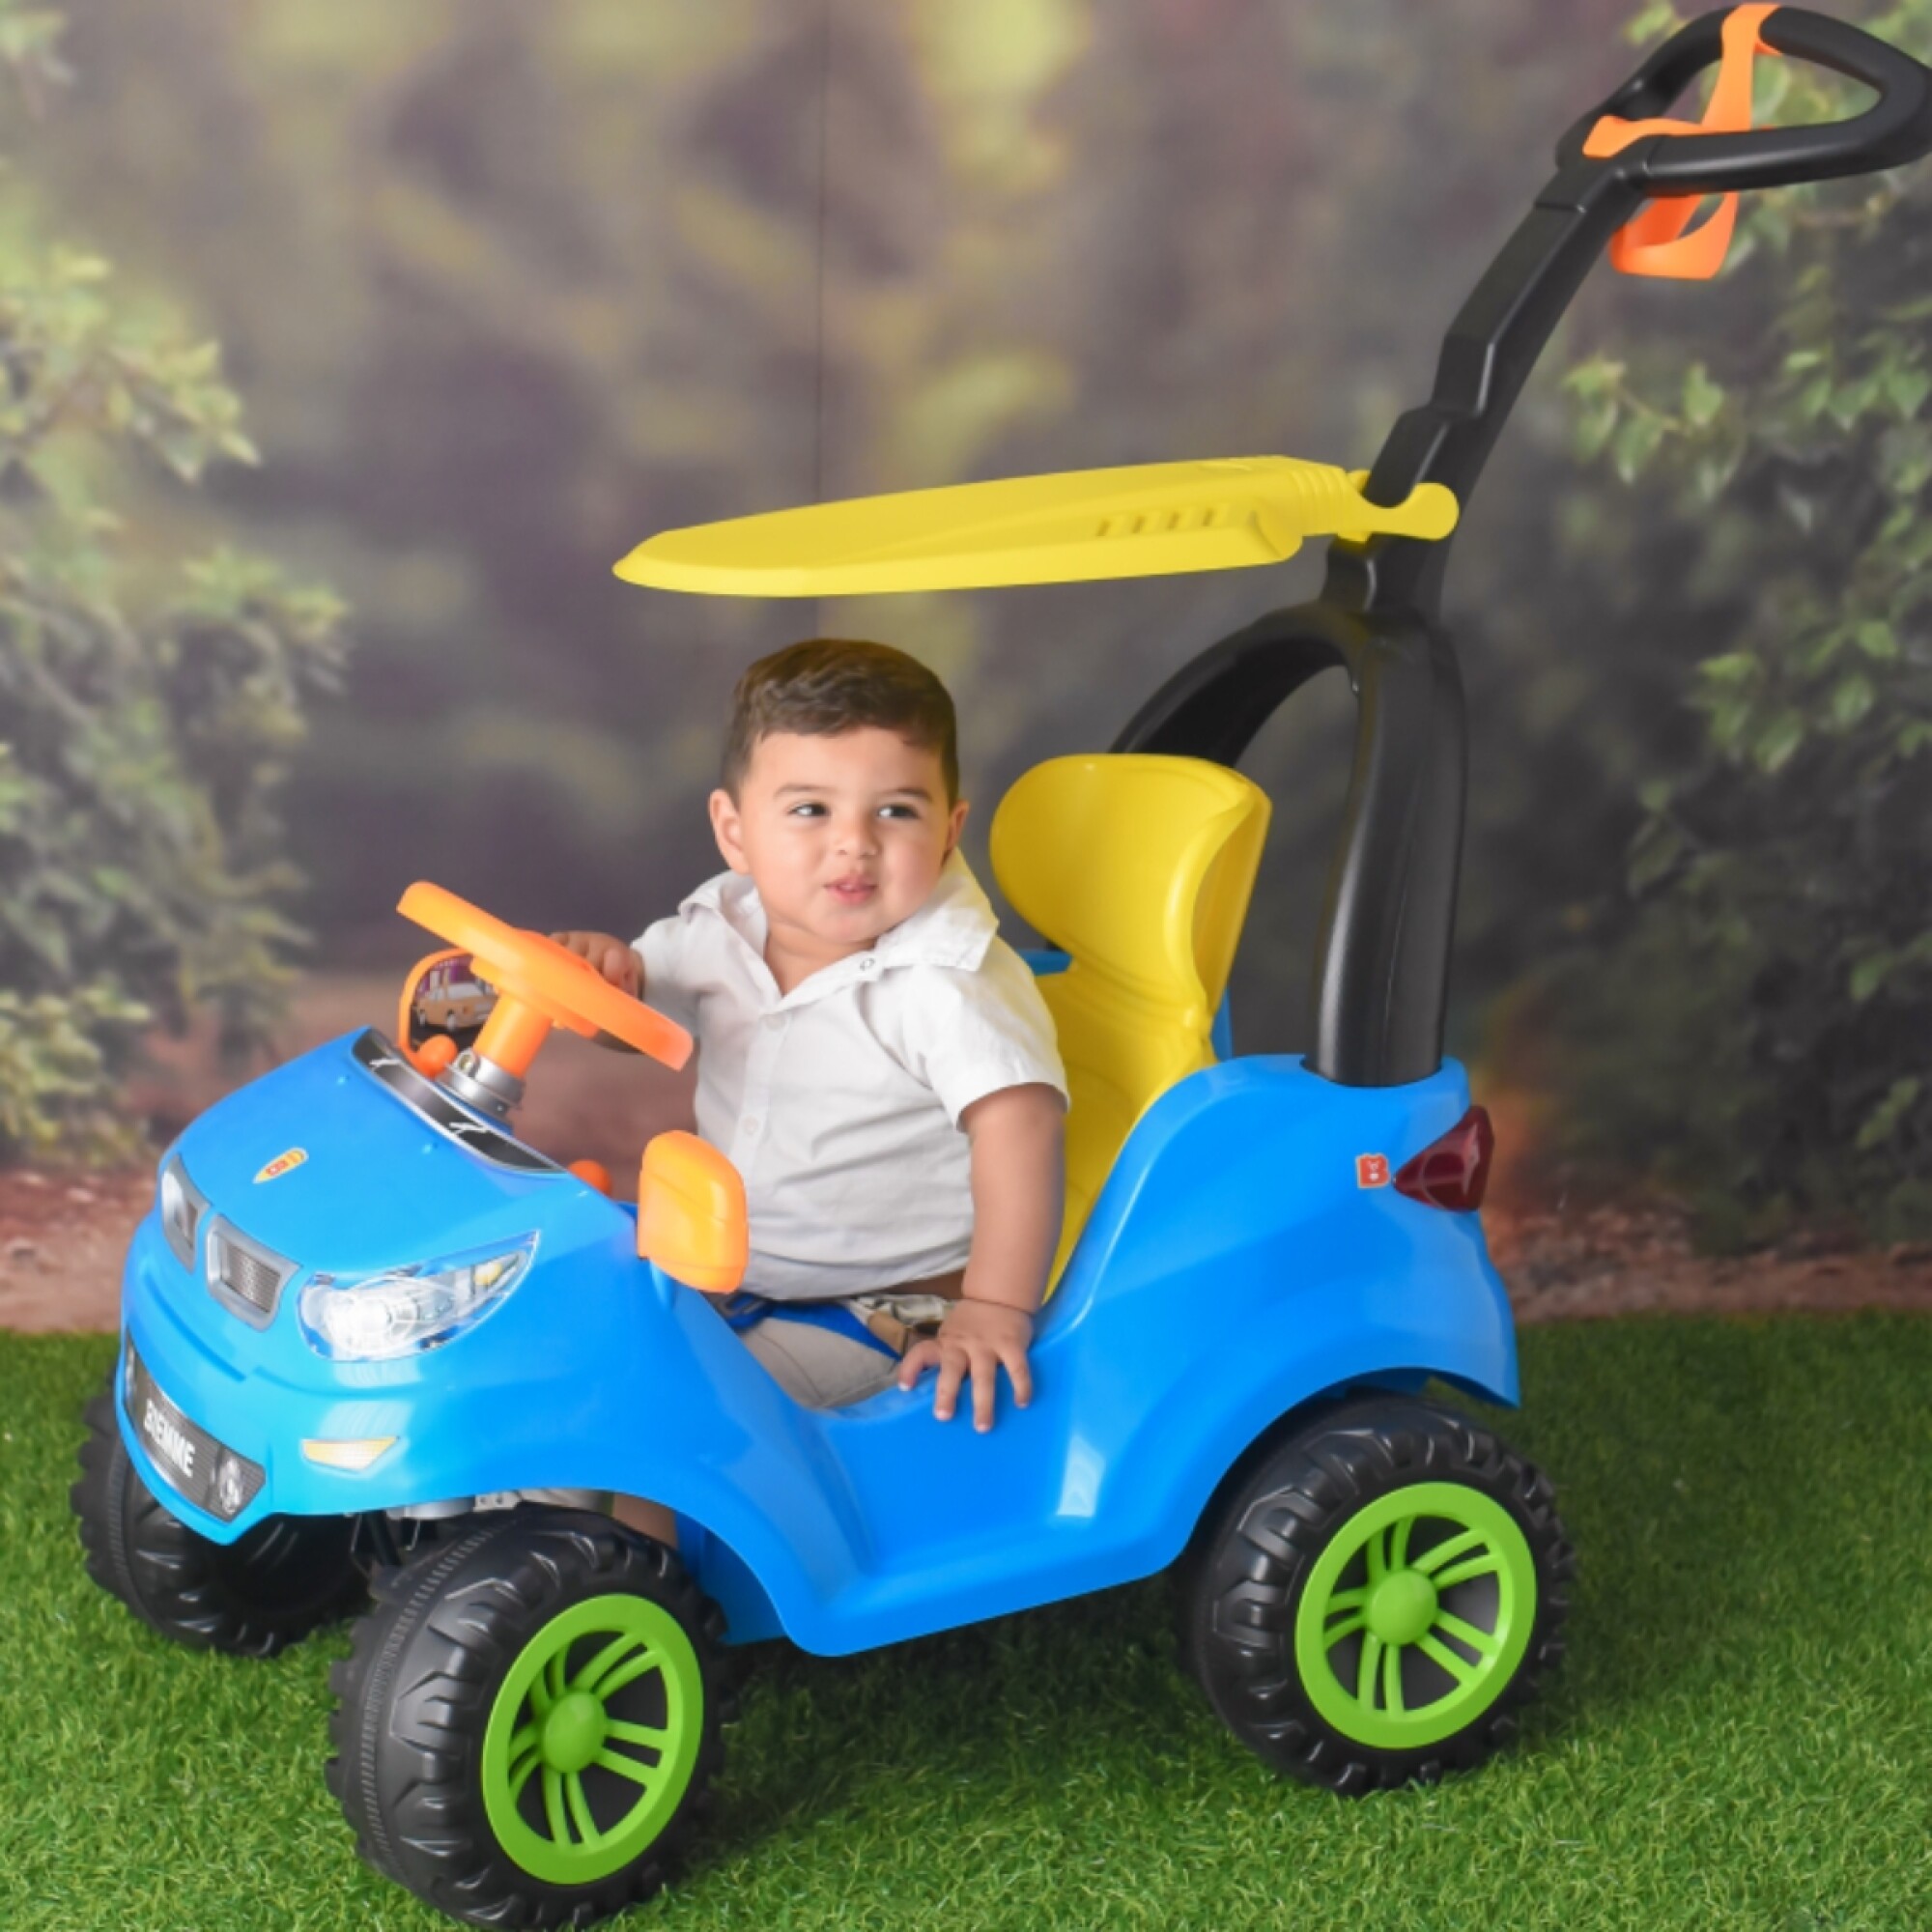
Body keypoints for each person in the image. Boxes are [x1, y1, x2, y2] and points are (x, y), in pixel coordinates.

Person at [554, 638, 1066, 1449]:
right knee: (570, 1363)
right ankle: (566, 1504)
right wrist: (602, 986)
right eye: (810, 810)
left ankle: (637, 1533)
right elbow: (637, 1022)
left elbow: (1022, 1129)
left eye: (896, 811)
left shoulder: (951, 982)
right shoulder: (721, 927)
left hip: (881, 1310)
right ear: (735, 831)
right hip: (728, 1279)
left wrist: (994, 1307)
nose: (854, 842)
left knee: (674, 1423)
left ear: (949, 829)